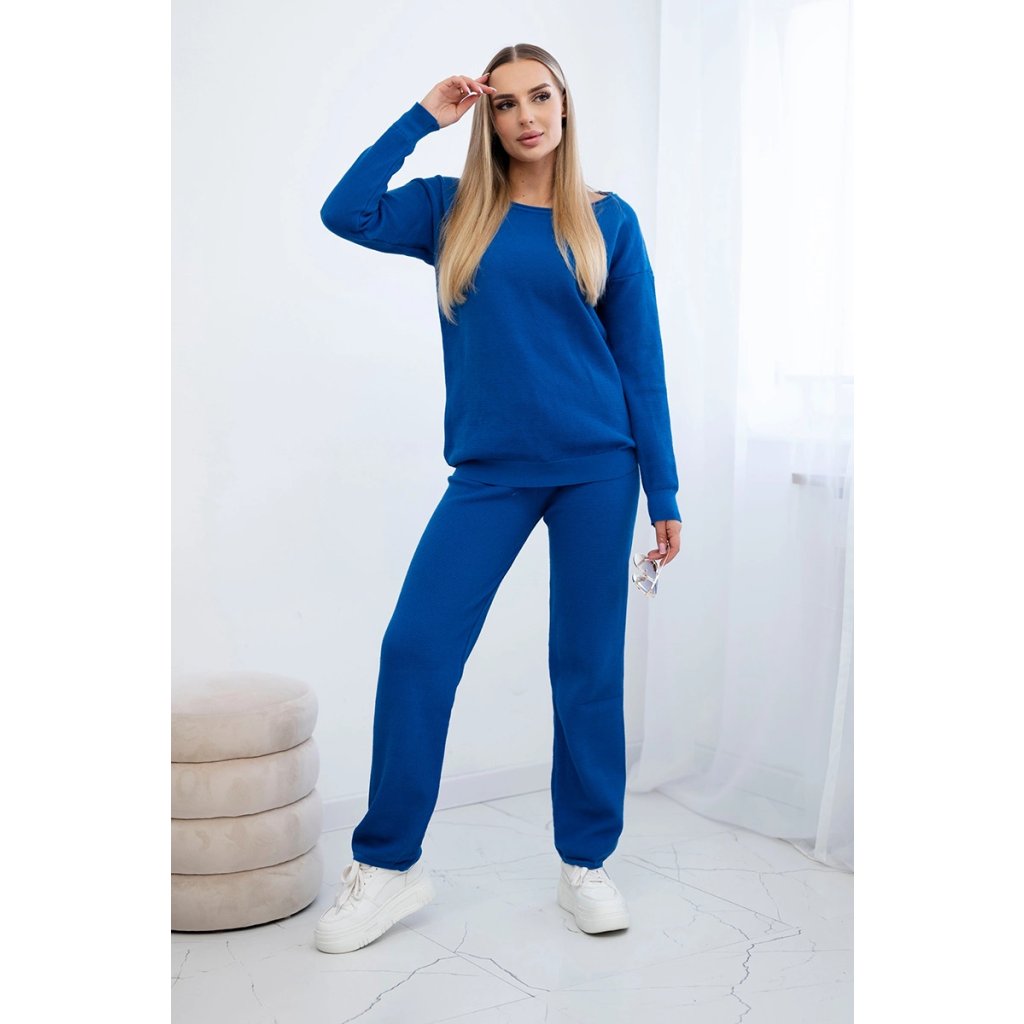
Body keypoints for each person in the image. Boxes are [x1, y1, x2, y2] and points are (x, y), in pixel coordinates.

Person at [313, 44, 682, 954]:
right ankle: (388, 867)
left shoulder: (608, 219)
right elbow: (345, 211)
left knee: (586, 666)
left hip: (599, 468)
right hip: (490, 472)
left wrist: (663, 490)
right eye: (506, 103)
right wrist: (422, 118)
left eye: (540, 97)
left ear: (565, 104)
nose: (526, 116)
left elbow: (641, 361)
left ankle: (585, 862)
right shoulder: (451, 209)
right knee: (416, 647)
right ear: (488, 117)